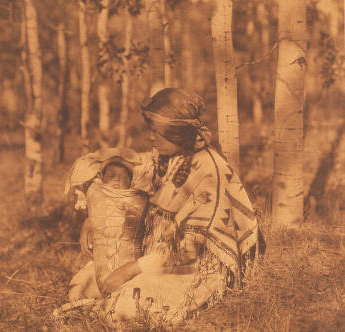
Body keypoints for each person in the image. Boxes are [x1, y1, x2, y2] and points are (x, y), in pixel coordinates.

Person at [79, 88, 264, 328]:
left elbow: (190, 251)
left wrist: (130, 270)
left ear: (176, 133)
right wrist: (93, 219)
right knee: (83, 284)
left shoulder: (209, 172)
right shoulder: (169, 160)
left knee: (118, 308)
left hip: (195, 273)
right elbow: (122, 177)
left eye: (156, 131)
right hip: (157, 262)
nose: (150, 137)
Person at [65, 149, 148, 302]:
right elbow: (84, 164)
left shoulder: (138, 199)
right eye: (111, 176)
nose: (117, 180)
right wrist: (88, 220)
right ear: (102, 179)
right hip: (100, 266)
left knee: (127, 297)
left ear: (131, 181)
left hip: (130, 269)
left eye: (124, 177)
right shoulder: (96, 193)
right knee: (76, 292)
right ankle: (89, 303)